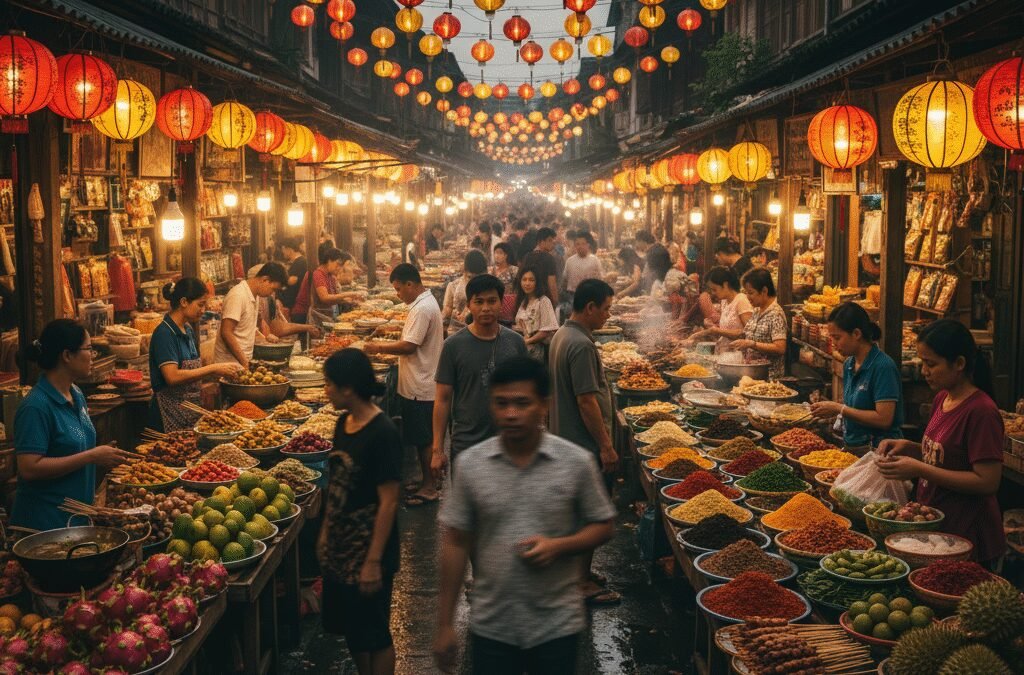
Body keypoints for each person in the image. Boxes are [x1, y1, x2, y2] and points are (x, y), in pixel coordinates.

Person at [432, 357, 615, 675]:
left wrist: (560, 546)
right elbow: (456, 541)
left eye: (522, 403)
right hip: (492, 627)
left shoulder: (574, 462)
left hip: (557, 627)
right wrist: (445, 622)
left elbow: (603, 524)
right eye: (501, 403)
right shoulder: (472, 465)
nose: (511, 414)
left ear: (544, 405)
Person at [876, 320, 1004, 567]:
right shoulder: (942, 399)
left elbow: (987, 481)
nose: (924, 370)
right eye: (923, 362)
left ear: (959, 364)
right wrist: (910, 447)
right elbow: (945, 455)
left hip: (968, 533)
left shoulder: (981, 412)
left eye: (931, 364)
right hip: (938, 528)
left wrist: (919, 468)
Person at [318, 349, 401, 675]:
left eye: (328, 384)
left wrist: (373, 562)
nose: (326, 390)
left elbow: (389, 502)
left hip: (370, 551)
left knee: (375, 633)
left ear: (348, 388)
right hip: (342, 551)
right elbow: (339, 484)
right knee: (354, 630)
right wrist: (326, 534)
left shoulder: (383, 433)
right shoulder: (342, 423)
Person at [13, 320, 134, 531]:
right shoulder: (36, 406)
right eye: (88, 349)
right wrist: (92, 456)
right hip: (46, 524)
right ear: (67, 355)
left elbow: (75, 448)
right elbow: (29, 468)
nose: (92, 355)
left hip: (76, 518)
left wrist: (102, 456)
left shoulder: (76, 393)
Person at [547, 278, 621, 607]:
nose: (608, 315)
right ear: (589, 308)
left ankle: (581, 574)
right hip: (582, 444)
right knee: (589, 515)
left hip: (566, 439)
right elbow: (586, 401)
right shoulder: (580, 345)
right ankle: (579, 583)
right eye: (605, 309)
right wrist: (606, 446)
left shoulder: (563, 334)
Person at [431, 274, 528, 480]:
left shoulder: (516, 343)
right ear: (469, 305)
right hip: (467, 445)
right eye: (479, 301)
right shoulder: (453, 346)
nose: (486, 308)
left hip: (509, 444)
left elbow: (527, 393)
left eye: (492, 301)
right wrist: (437, 450)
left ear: (502, 303)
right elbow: (442, 399)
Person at [365, 264, 444, 508]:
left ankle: (430, 488)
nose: (398, 295)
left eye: (399, 289)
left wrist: (377, 348)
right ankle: (426, 479)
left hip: (421, 384)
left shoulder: (421, 309)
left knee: (423, 440)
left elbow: (409, 345)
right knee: (422, 438)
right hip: (421, 380)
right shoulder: (424, 303)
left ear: (411, 284)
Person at [149, 278, 241, 431]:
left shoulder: (188, 329)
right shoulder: (164, 333)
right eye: (200, 304)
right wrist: (212, 369)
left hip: (189, 411)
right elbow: (172, 377)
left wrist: (213, 378)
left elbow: (192, 370)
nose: (204, 310)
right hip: (168, 412)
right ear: (184, 302)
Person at [810, 302, 903, 452]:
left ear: (856, 334)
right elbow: (853, 408)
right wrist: (833, 410)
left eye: (837, 337)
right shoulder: (849, 364)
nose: (833, 343)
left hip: (879, 450)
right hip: (853, 446)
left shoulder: (883, 366)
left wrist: (839, 408)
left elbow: (884, 419)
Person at [215, 262, 288, 367]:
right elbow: (226, 332)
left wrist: (264, 338)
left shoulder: (255, 295)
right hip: (229, 364)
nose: (272, 293)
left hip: (242, 361)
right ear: (265, 280)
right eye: (273, 289)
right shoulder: (238, 295)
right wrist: (244, 362)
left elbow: (246, 326)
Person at [730, 268, 788, 379]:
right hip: (751, 374)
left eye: (751, 292)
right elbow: (748, 334)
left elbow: (780, 348)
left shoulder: (776, 314)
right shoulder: (757, 310)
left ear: (764, 291)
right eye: (745, 292)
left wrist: (752, 344)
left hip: (768, 378)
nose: (747, 296)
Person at [690, 267, 753, 353]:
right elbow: (727, 329)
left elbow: (748, 333)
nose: (713, 293)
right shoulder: (724, 302)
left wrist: (716, 330)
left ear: (725, 285)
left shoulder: (741, 300)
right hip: (725, 354)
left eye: (714, 289)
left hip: (738, 355)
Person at [291, 248, 361, 324]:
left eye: (341, 266)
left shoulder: (330, 276)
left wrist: (349, 300)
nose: (339, 268)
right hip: (304, 315)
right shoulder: (318, 273)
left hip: (320, 315)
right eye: (337, 264)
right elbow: (325, 298)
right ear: (329, 261)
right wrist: (348, 294)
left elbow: (334, 298)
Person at [514, 267, 558, 362]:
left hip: (540, 351)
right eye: (524, 279)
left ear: (537, 282)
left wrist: (527, 341)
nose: (527, 283)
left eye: (531, 280)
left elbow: (546, 330)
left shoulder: (543, 301)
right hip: (525, 349)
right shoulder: (523, 301)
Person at [442, 249, 488, 337]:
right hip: (457, 330)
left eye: (478, 276)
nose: (474, 280)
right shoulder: (453, 286)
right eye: (470, 276)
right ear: (465, 271)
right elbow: (447, 309)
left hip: (483, 330)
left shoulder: (490, 286)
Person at [519, 227, 559, 305]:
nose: (552, 243)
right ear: (541, 241)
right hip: (545, 300)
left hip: (528, 298)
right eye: (549, 240)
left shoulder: (527, 256)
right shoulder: (549, 258)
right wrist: (555, 300)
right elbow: (552, 283)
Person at [561, 231, 604, 303]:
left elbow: (600, 280)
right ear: (575, 246)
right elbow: (565, 280)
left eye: (583, 244)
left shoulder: (594, 260)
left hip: (590, 296)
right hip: (572, 297)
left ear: (588, 245)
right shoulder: (569, 261)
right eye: (577, 244)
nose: (580, 246)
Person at [491, 242, 519, 325]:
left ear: (506, 255)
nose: (497, 255)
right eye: (495, 253)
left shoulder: (514, 270)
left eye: (500, 253)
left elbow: (518, 289)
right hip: (496, 305)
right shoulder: (492, 270)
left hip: (510, 306)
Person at [279, 236, 307, 313]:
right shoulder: (299, 261)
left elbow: (291, 281)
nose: (283, 252)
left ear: (289, 250)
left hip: (296, 306)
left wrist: (279, 280)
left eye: (283, 250)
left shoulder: (300, 262)